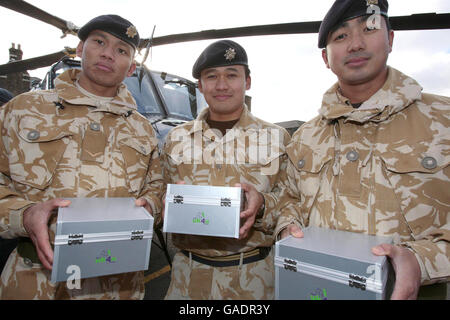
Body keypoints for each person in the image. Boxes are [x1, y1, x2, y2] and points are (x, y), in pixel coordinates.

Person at [275, 0, 449, 300]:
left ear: (390, 39)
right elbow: (289, 198)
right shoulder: (304, 137)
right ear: (326, 58)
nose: (355, 44)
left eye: (369, 29)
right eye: (340, 36)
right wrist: (287, 229)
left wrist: (422, 261)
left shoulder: (443, 121)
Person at [0, 14, 163, 299]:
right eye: (99, 41)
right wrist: (23, 214)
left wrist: (150, 206)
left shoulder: (143, 129)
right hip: (36, 279)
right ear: (80, 49)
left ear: (131, 69)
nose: (108, 54)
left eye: (121, 50)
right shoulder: (22, 110)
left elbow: (157, 188)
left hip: (118, 282)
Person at [161, 40, 291, 299]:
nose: (221, 85)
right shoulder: (176, 138)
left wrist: (263, 204)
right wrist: (163, 204)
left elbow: (294, 203)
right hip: (187, 278)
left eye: (231, 75)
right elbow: (158, 192)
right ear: (200, 85)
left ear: (248, 82)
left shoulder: (276, 138)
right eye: (212, 77)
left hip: (253, 280)